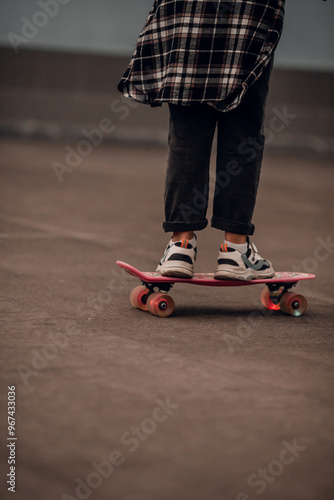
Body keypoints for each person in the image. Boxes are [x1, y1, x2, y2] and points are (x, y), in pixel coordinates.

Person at [118, 0, 286, 280]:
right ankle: (235, 250)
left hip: (188, 12)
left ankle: (180, 246)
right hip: (246, 16)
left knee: (187, 135)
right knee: (242, 133)